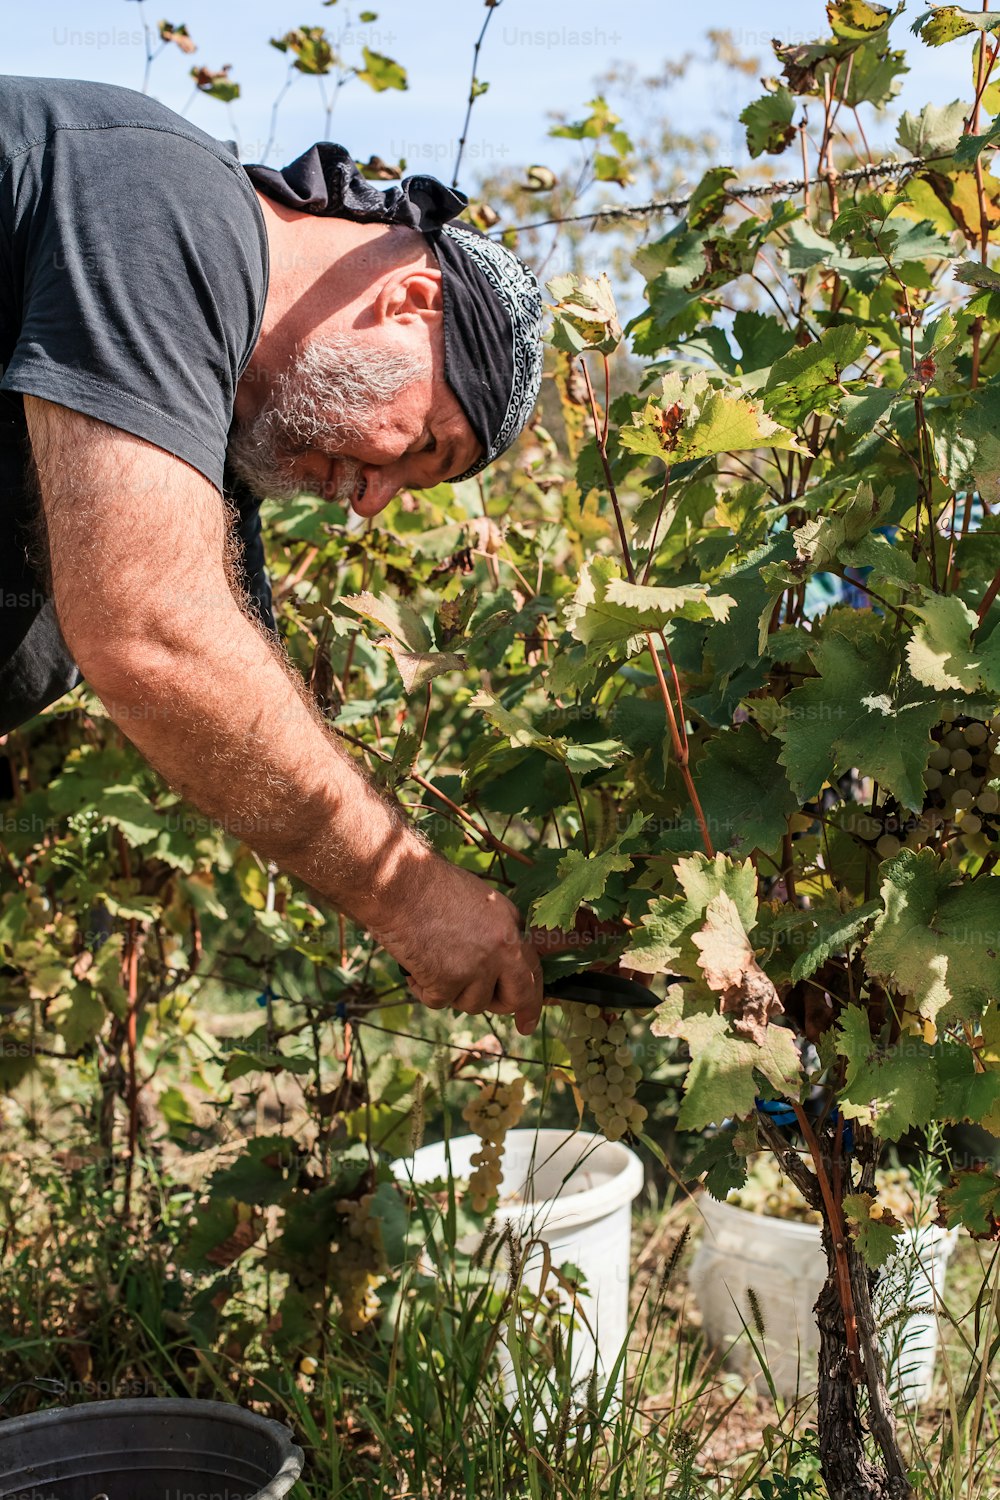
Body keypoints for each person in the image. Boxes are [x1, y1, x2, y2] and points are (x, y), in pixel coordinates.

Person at [0, 76, 546, 1033]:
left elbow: (237, 721)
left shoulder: (216, 448)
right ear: (410, 300)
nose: (374, 502)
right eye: (423, 447)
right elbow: (156, 638)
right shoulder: (161, 202)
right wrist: (411, 893)